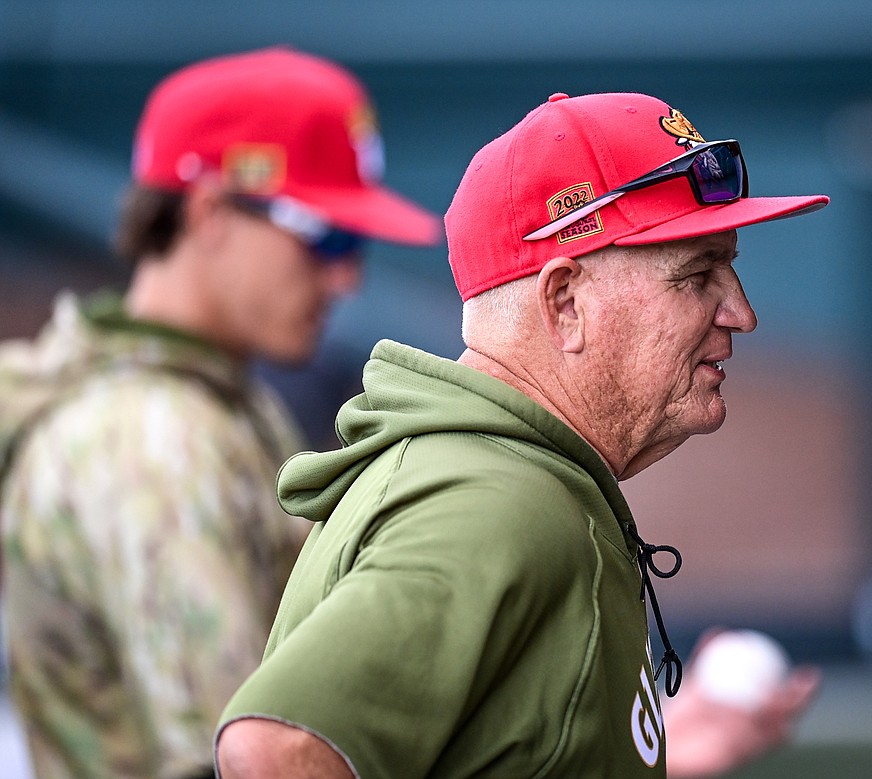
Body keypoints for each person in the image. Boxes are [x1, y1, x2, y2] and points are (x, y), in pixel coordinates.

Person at [215, 91, 828, 778]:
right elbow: (278, 749)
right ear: (565, 301)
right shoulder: (493, 502)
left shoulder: (501, 478)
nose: (741, 311)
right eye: (697, 275)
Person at [0, 47, 441, 779]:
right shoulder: (153, 441)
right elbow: (242, 757)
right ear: (208, 210)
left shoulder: (203, 393)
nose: (347, 274)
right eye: (324, 234)